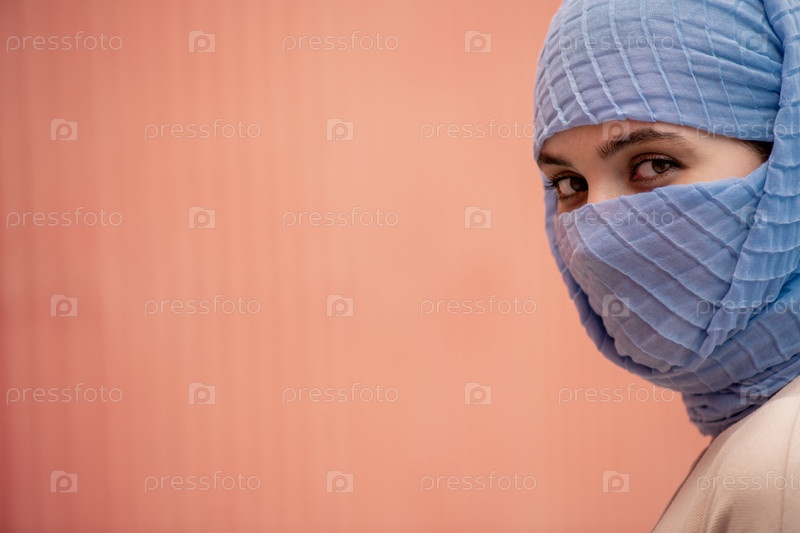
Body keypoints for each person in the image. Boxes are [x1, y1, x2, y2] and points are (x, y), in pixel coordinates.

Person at [534, 0, 800, 530]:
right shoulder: (756, 437)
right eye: (570, 184)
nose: (595, 240)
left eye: (654, 164)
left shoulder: (781, 461)